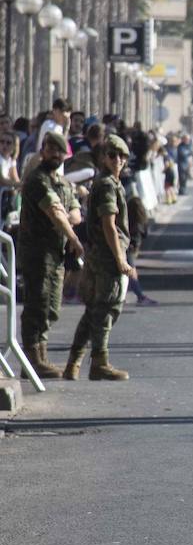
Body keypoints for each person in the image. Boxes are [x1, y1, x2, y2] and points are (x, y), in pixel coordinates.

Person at [63, 136, 139, 381]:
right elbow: (109, 224)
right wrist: (120, 259)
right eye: (113, 155)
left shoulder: (109, 182)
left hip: (100, 252)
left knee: (94, 310)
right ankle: (99, 362)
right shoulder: (107, 184)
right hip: (106, 254)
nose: (118, 160)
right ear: (104, 157)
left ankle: (74, 363)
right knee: (106, 309)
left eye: (122, 156)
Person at [18, 131, 84, 378]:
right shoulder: (38, 180)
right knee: (37, 303)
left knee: (53, 306)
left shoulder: (64, 183)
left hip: (56, 254)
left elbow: (75, 212)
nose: (54, 154)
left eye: (59, 150)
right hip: (37, 252)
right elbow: (54, 212)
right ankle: (32, 361)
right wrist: (73, 237)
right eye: (50, 149)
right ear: (43, 151)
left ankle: (42, 356)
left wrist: (67, 219)